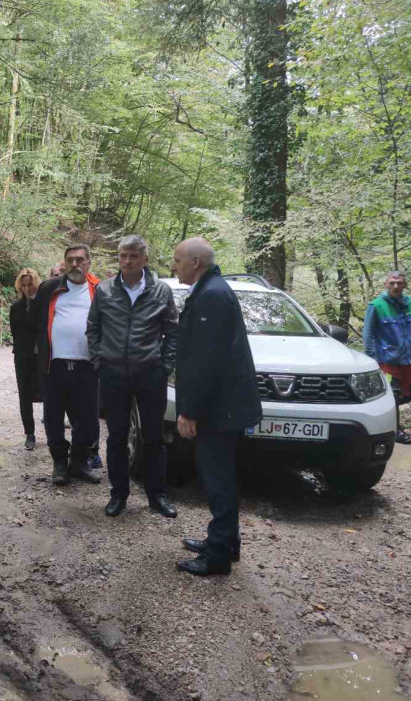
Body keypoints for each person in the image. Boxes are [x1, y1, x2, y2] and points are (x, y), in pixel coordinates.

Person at [172, 238, 261, 576]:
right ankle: (225, 541)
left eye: (178, 260)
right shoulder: (212, 290)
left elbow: (205, 362)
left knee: (218, 479)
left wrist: (190, 410)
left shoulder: (212, 295)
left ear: (196, 262)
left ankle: (219, 555)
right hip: (223, 406)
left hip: (219, 409)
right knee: (221, 476)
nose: (173, 266)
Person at [87, 235, 178, 519]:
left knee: (153, 437)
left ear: (144, 259)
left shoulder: (161, 291)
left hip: (150, 374)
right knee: (116, 436)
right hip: (114, 374)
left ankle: (156, 495)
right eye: (123, 256)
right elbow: (93, 329)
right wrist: (99, 361)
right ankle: (118, 494)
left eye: (133, 256)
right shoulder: (104, 290)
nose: (127, 261)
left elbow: (173, 333)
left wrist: (164, 366)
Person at [31, 244, 101, 486]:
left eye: (80, 260)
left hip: (88, 366)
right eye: (70, 260)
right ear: (64, 262)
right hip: (55, 365)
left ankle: (79, 462)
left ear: (89, 262)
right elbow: (35, 322)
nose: (75, 264)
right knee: (53, 417)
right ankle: (59, 463)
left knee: (87, 419)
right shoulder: (50, 288)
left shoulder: (100, 289)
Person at [363, 271, 411, 444]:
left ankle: (384, 413)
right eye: (392, 283)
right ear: (386, 284)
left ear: (405, 285)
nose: (396, 286)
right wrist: (371, 358)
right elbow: (368, 333)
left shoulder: (410, 303)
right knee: (393, 394)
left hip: (409, 357)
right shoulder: (376, 305)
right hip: (387, 360)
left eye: (399, 283)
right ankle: (395, 430)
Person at [10, 267, 42, 450]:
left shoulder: (43, 304)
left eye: (30, 284)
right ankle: (29, 433)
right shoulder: (16, 307)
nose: (28, 289)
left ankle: (55, 433)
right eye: (24, 285)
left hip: (43, 355)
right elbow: (15, 333)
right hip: (23, 355)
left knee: (48, 393)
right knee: (25, 394)